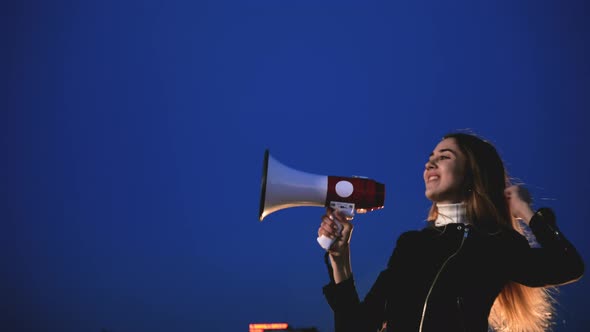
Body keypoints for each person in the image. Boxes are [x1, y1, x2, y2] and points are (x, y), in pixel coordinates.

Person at [318, 132, 584, 332]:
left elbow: (568, 265)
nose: (429, 164)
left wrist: (527, 212)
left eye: (444, 157)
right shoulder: (412, 244)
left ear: (473, 173)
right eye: (430, 159)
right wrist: (340, 261)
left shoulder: (498, 243)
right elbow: (358, 327)